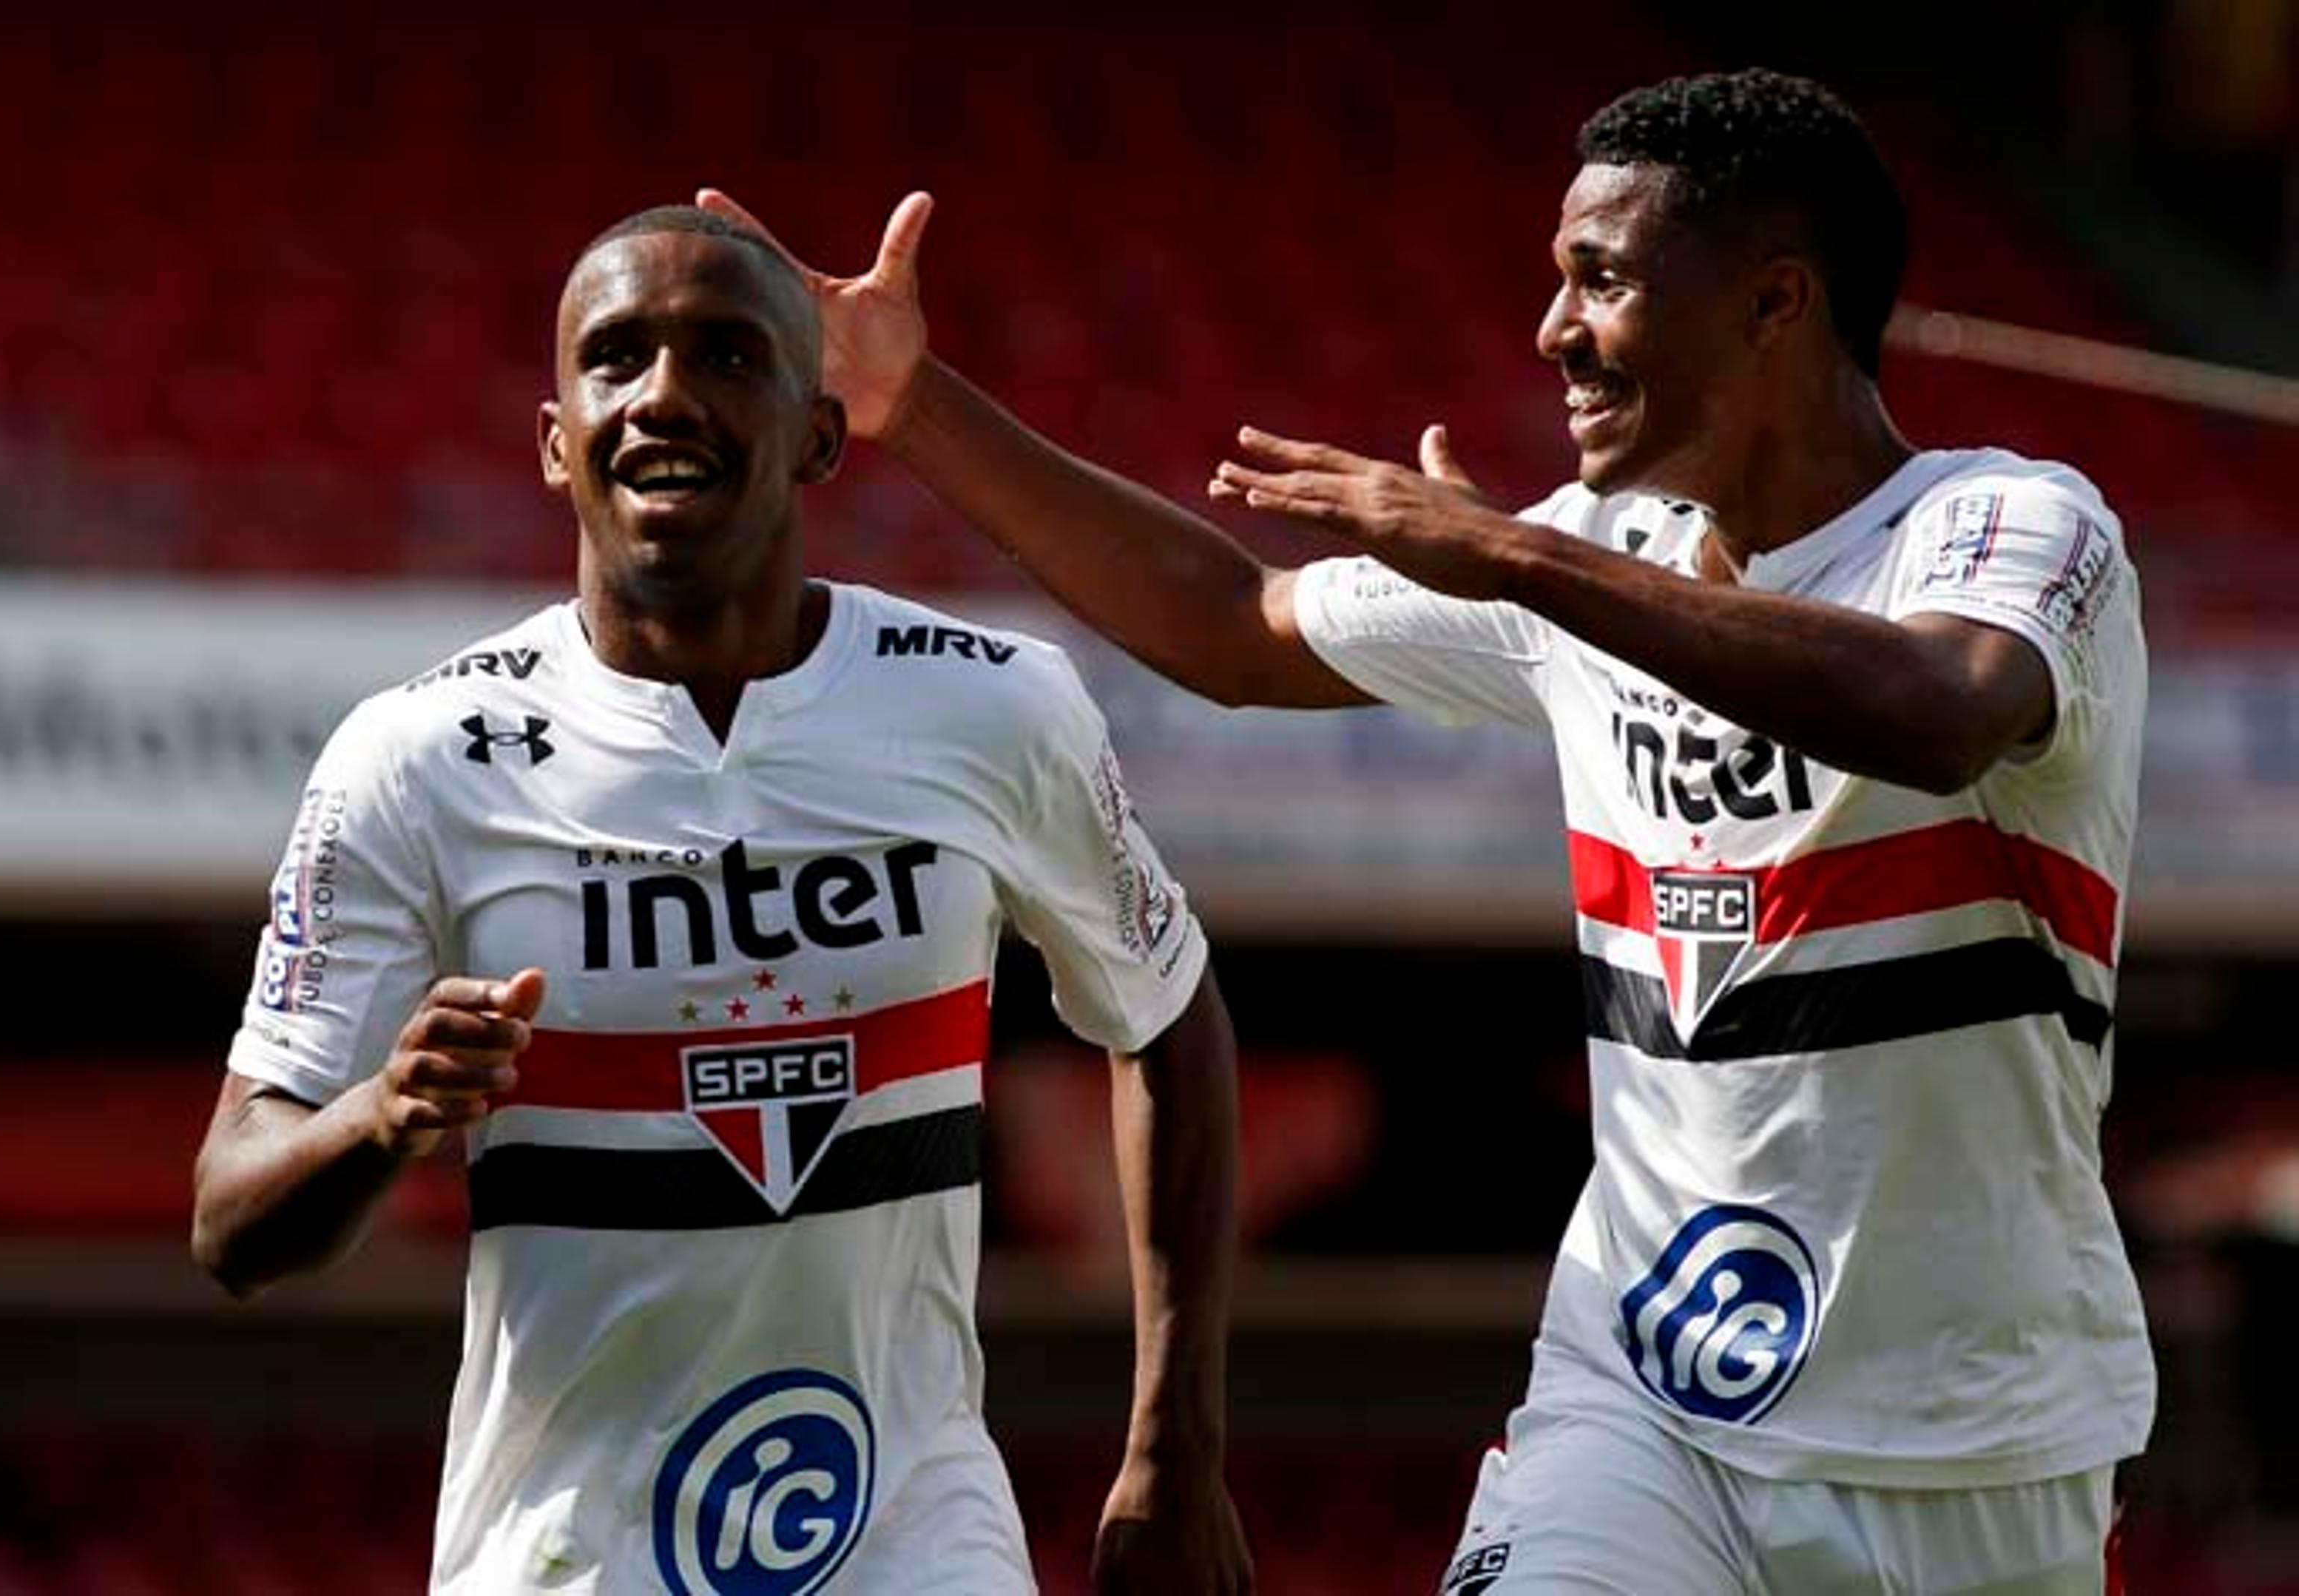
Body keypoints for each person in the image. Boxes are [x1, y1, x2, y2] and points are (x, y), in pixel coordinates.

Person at [707, 65, 2149, 1596]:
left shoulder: (2006, 524)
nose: (1552, 332)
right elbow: (1230, 623)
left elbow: (1938, 707)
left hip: (1987, 1435)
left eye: (1598, 282)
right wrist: (914, 407)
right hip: (1647, 1405)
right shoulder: (1588, 557)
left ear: (1774, 303)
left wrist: (1522, 562)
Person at [189, 206, 1252, 1595]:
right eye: (616, 358)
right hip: (566, 1556)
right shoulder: (416, 759)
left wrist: (1176, 1445)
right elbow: (231, 1219)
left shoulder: (993, 707)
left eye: (729, 356)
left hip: (915, 1536)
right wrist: (381, 1113)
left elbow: (1169, 1017)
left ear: (819, 434)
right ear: (556, 438)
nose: (666, 395)